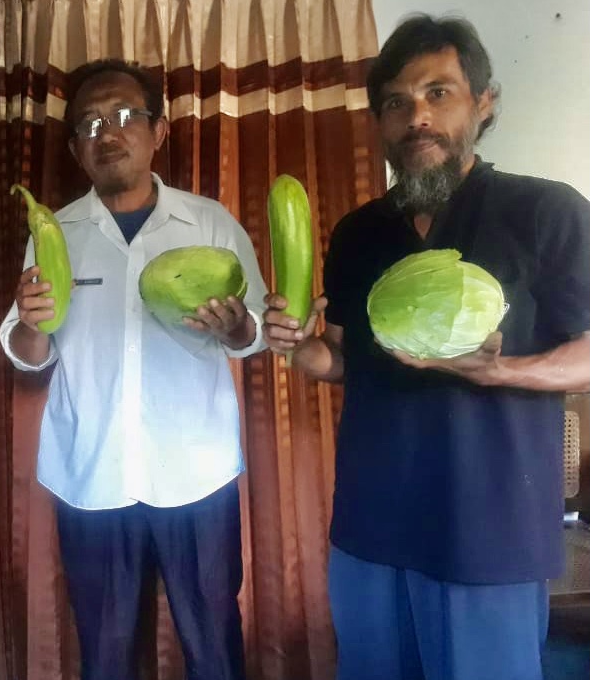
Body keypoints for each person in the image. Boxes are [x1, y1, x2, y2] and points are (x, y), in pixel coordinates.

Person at [262, 15, 590, 680]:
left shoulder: (546, 211)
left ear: (483, 101)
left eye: (439, 93)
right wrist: (301, 349)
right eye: (396, 102)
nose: (418, 117)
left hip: (489, 536)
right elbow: (346, 360)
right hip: (370, 530)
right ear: (378, 121)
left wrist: (499, 371)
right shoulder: (358, 233)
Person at [0, 59, 268, 680]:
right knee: (106, 651)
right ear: (75, 147)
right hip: (93, 474)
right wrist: (33, 323)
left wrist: (235, 327)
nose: (108, 133)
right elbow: (27, 354)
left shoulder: (209, 224)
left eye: (124, 116)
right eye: (90, 123)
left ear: (159, 130)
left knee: (213, 646)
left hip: (195, 474)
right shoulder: (54, 232)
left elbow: (251, 333)